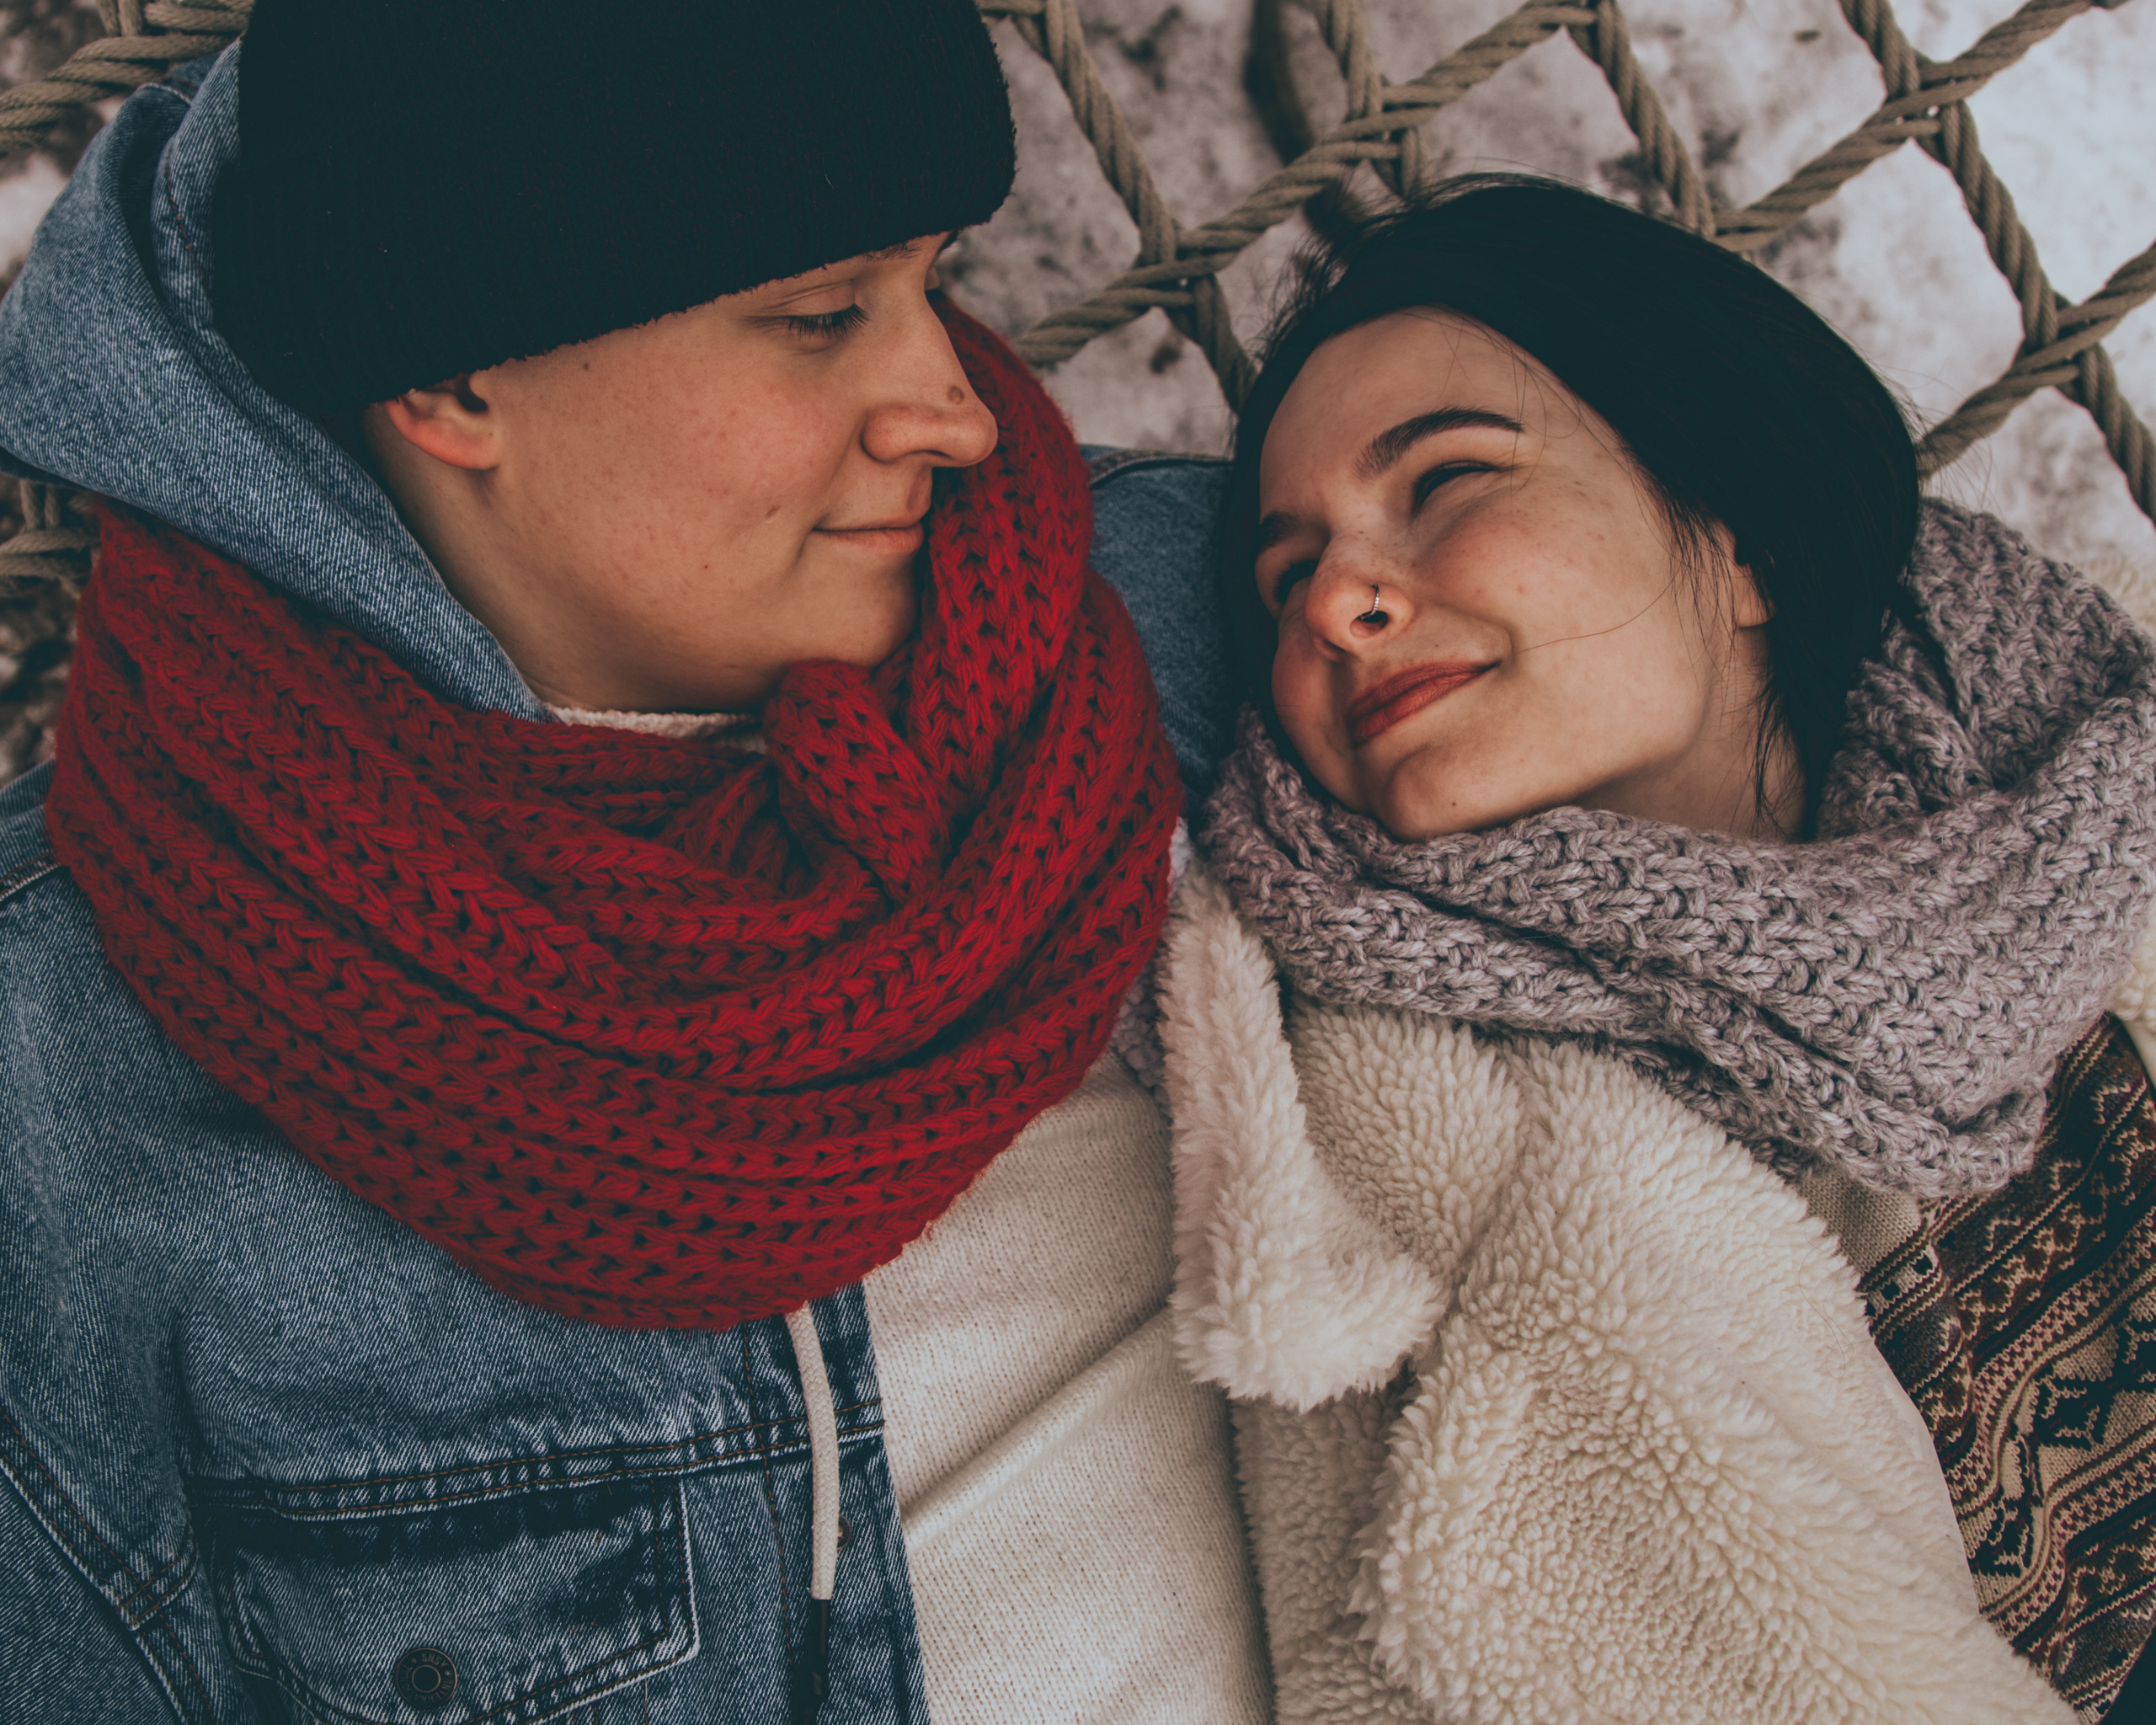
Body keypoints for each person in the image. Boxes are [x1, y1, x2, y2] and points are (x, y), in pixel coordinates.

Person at [0, 3, 1271, 1720]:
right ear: (452, 373)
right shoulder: (56, 1083)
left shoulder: (1235, 633)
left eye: (927, 283)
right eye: (820, 317)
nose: (958, 410)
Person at [1158, 174, 2156, 1722]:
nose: (1344, 602)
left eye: (1445, 484)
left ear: (1741, 533)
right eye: (1288, 580)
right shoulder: (1401, 1119)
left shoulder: (2083, 778)